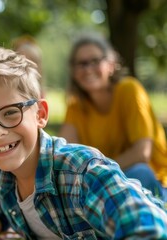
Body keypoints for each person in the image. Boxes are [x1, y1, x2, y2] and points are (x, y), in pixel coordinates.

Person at [0, 46, 167, 238]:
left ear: (40, 114)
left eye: (10, 113)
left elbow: (149, 229)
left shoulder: (83, 173)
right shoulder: (3, 180)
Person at [58, 33, 167, 199]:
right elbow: (63, 156)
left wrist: (96, 172)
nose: (87, 69)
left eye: (95, 61)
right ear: (73, 71)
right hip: (106, 182)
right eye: (81, 63)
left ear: (111, 64)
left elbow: (142, 153)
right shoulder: (76, 106)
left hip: (154, 182)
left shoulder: (129, 90)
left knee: (140, 172)